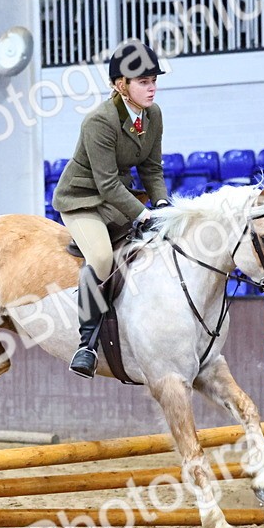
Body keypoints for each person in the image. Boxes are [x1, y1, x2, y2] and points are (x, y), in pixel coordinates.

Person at [52, 39, 173, 379]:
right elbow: (105, 184)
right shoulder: (98, 121)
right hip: (83, 200)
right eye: (144, 82)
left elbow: (152, 169)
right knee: (103, 258)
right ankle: (86, 344)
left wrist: (161, 203)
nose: (152, 88)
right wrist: (142, 213)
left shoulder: (153, 115)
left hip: (116, 198)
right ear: (122, 85)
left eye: (154, 81)